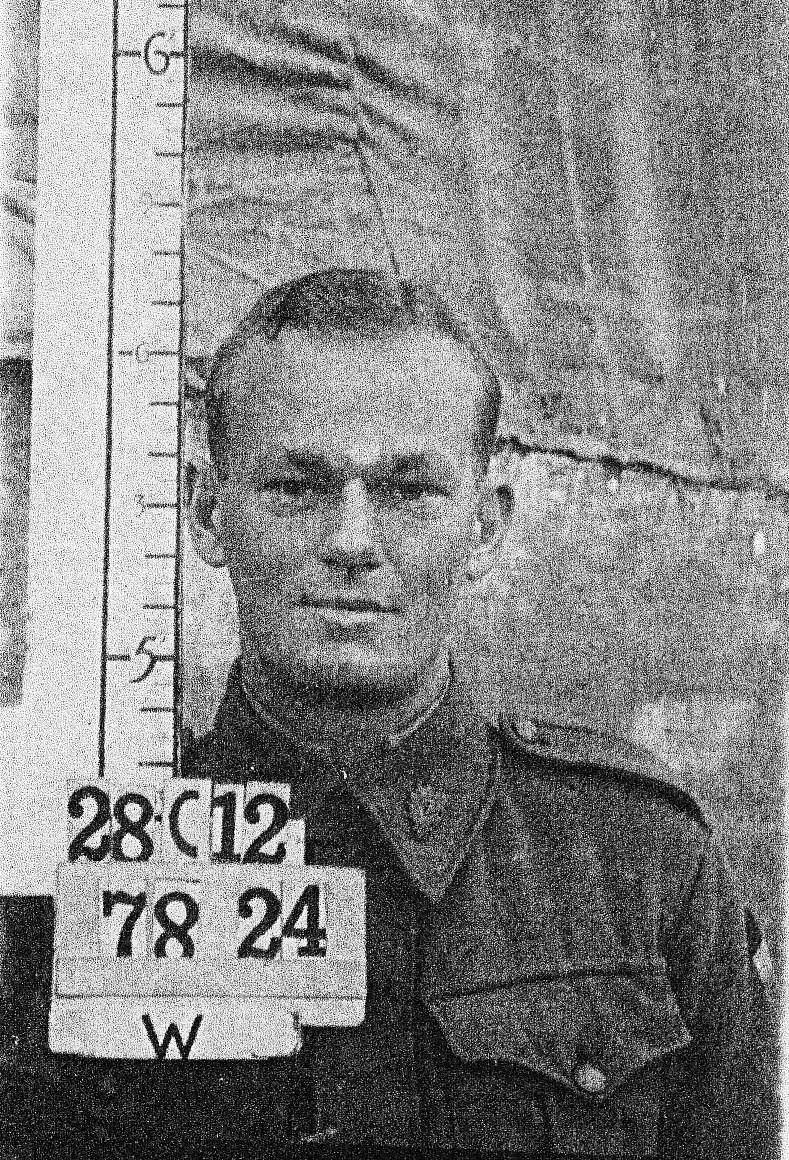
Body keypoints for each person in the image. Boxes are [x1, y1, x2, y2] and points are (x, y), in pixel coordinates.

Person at [0, 267, 778, 1158]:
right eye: (296, 487)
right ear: (207, 513)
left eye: (409, 491)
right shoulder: (68, 857)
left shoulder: (636, 859)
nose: (351, 541)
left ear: (484, 526)